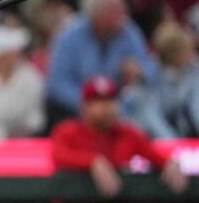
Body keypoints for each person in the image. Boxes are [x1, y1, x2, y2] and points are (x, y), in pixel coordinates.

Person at [51, 76, 187, 198]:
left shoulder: (127, 133)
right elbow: (58, 155)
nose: (107, 107)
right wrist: (93, 161)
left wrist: (169, 163)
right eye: (98, 101)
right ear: (84, 107)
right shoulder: (68, 131)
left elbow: (154, 156)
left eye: (110, 100)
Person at [46, 0, 157, 126]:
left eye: (121, 11)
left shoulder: (128, 30)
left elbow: (152, 70)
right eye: (114, 12)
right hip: (77, 110)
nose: (121, 18)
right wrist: (91, 103)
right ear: (95, 15)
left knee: (144, 102)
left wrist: (139, 71)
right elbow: (57, 83)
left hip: (120, 109)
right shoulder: (69, 35)